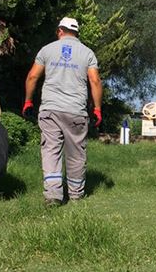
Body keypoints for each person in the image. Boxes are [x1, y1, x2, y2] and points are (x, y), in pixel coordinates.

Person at [23, 17, 103, 206]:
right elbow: (95, 81)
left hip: (50, 109)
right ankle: (76, 196)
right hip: (76, 111)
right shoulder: (87, 53)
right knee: (76, 154)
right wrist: (98, 109)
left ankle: (53, 196)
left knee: (51, 151)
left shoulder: (47, 50)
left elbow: (33, 76)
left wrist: (27, 101)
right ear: (76, 33)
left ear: (60, 30)